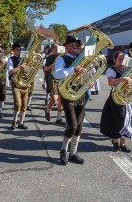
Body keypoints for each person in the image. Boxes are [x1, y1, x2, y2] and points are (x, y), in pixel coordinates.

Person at [100, 51, 132, 153]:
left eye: (123, 58)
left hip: (129, 98)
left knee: (128, 121)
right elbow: (110, 82)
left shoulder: (128, 69)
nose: (122, 60)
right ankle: (115, 140)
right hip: (117, 98)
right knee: (119, 121)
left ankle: (123, 144)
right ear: (115, 60)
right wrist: (123, 78)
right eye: (119, 58)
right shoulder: (111, 69)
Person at [54, 35, 87, 165]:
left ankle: (73, 153)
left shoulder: (81, 59)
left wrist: (89, 82)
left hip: (80, 94)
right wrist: (73, 69)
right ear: (66, 46)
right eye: (72, 44)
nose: (75, 45)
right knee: (72, 126)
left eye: (76, 44)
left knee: (79, 127)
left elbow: (88, 73)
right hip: (67, 95)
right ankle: (63, 150)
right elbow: (57, 74)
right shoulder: (62, 59)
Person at [7, 42, 30, 130]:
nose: (20, 51)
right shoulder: (11, 59)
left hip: (25, 83)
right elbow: (10, 71)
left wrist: (29, 79)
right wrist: (20, 67)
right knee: (18, 103)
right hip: (15, 83)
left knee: (24, 105)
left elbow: (30, 72)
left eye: (21, 49)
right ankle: (14, 121)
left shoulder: (26, 59)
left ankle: (21, 122)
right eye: (18, 49)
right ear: (14, 51)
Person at [44, 43, 65, 126]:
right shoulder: (50, 57)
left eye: (59, 49)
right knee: (55, 98)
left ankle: (58, 118)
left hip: (62, 79)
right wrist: (53, 65)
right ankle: (48, 109)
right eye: (56, 49)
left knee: (61, 101)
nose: (57, 51)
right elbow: (45, 69)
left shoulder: (63, 57)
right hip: (53, 79)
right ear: (52, 50)